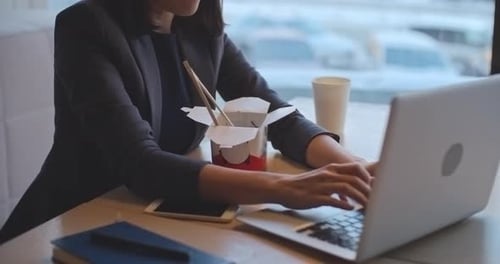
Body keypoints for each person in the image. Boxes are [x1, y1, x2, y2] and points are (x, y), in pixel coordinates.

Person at [0, 0, 376, 244]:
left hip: (150, 222)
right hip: (69, 227)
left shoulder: (197, 26)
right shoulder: (85, 26)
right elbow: (140, 164)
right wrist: (285, 188)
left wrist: (356, 170)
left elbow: (275, 114)